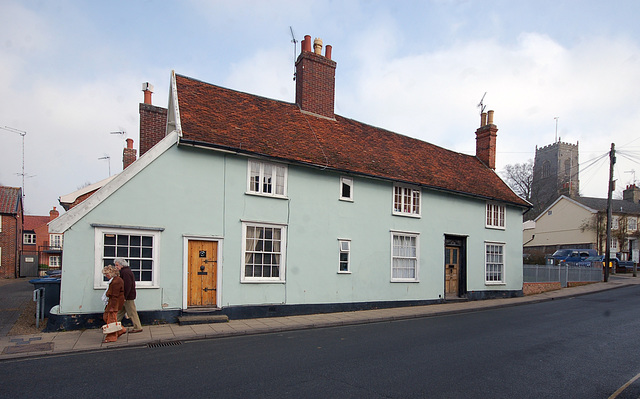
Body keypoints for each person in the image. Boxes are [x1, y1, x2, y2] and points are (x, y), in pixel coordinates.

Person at [114, 258, 143, 333]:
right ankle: (113, 326)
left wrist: (124, 297)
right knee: (120, 312)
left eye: (117, 265)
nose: (116, 266)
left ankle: (138, 327)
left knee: (131, 312)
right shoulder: (125, 271)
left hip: (127, 296)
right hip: (126, 296)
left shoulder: (125, 272)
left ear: (121, 264)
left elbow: (127, 285)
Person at [102, 265, 125, 343]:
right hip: (112, 302)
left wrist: (112, 307)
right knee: (106, 317)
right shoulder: (114, 280)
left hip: (114, 303)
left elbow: (115, 295)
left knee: (111, 320)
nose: (106, 276)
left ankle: (111, 337)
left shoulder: (116, 282)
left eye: (107, 274)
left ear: (111, 273)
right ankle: (120, 329)